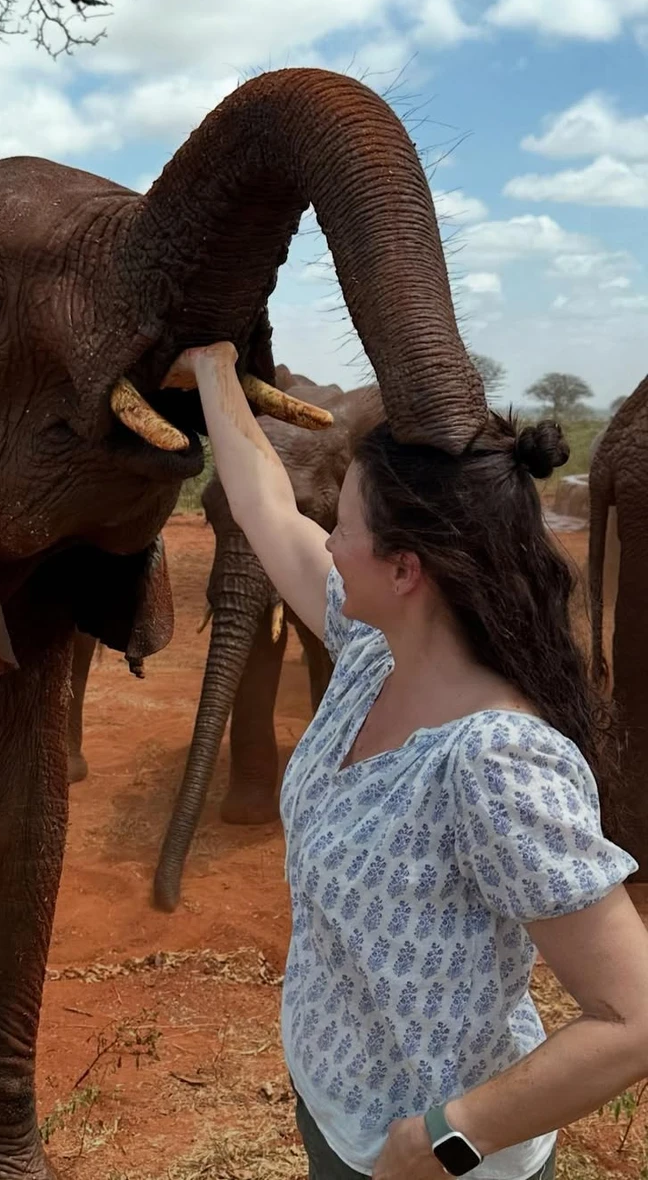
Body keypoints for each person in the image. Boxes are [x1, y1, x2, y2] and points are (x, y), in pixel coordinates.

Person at [170, 341, 648, 1180]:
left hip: (424, 1156)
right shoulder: (370, 650)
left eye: (345, 526)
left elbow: (634, 1018)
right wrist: (213, 367)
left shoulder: (496, 762)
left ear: (406, 569)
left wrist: (443, 1137)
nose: (329, 542)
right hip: (336, 1106)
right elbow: (266, 506)